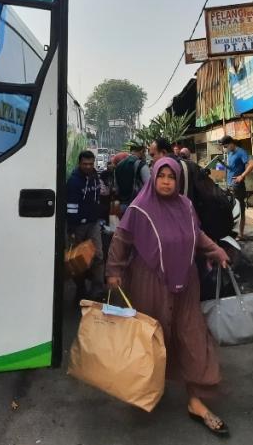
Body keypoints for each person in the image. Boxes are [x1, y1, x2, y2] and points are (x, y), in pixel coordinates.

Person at [106, 157, 231, 436]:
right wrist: (113, 271)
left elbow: (196, 235)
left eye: (170, 177)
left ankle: (197, 401)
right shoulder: (140, 208)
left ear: (177, 180)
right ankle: (145, 391)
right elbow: (121, 240)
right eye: (160, 176)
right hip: (149, 282)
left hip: (186, 282)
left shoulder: (186, 206)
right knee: (151, 338)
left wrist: (216, 251)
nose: (165, 181)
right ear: (153, 178)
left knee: (193, 336)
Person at [67, 150, 105, 300]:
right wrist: (71, 229)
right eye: (85, 164)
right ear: (79, 163)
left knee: (98, 256)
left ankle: (98, 291)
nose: (88, 166)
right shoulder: (73, 182)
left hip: (93, 223)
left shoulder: (95, 176)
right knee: (79, 260)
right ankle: (80, 290)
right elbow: (71, 207)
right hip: (77, 226)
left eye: (90, 164)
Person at [219, 135, 253, 241]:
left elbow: (252, 164)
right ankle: (231, 232)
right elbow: (232, 168)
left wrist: (242, 176)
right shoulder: (230, 153)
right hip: (229, 184)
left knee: (240, 210)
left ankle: (241, 234)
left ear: (231, 143)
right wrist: (223, 165)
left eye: (226, 146)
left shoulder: (241, 152)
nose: (225, 148)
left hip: (237, 186)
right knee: (229, 210)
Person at [114, 144, 150, 215]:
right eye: (145, 152)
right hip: (137, 206)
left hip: (122, 205)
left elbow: (116, 187)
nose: (145, 155)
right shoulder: (141, 165)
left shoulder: (119, 165)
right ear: (142, 151)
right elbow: (149, 185)